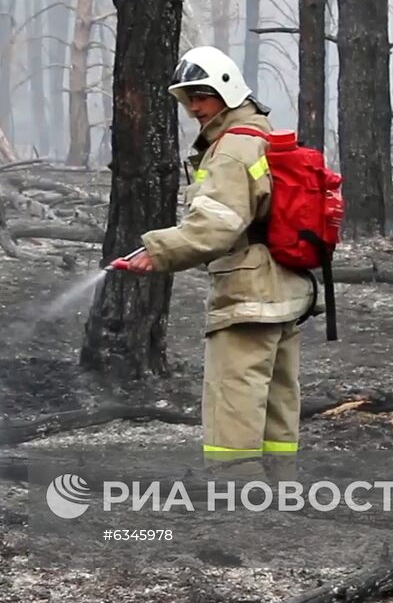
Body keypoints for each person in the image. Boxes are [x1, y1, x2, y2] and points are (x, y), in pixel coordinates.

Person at [121, 46, 316, 480]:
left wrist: (156, 252)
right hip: (285, 290)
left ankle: (237, 495)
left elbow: (216, 227)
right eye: (189, 98)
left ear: (226, 93)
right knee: (278, 397)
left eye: (202, 96)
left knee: (235, 397)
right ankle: (281, 485)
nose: (194, 108)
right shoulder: (263, 137)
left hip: (249, 293)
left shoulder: (231, 150)